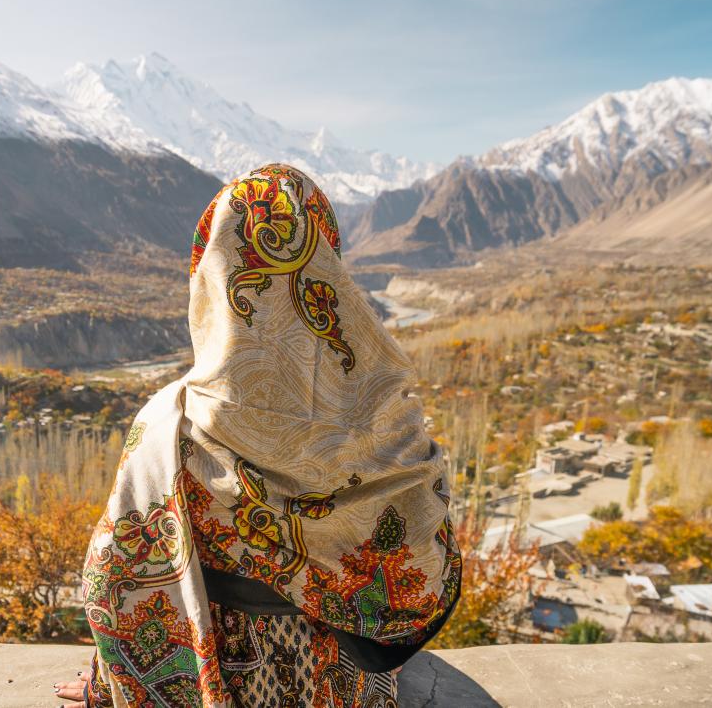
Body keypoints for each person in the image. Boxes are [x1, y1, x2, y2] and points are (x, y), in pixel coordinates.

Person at [57, 164, 461, 707]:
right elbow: (424, 556)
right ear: (328, 259)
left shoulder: (169, 426)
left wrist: (110, 684)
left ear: (212, 267)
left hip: (224, 681)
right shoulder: (391, 417)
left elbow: (120, 574)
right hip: (353, 684)